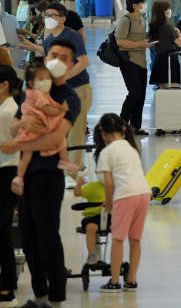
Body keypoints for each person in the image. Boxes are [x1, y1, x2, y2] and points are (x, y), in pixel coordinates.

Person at [0, 38, 82, 306]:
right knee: (27, 234)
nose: (58, 59)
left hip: (48, 175)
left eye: (65, 57)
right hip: (26, 174)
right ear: (45, 57)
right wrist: (21, 124)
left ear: (71, 65)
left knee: (47, 236)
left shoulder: (69, 98)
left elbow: (54, 139)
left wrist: (17, 144)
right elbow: (14, 126)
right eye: (54, 54)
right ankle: (39, 293)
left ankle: (56, 295)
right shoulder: (31, 87)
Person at [22, 2, 91, 187]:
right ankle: (78, 163)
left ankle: (72, 174)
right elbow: (49, 53)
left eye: (53, 15)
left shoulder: (71, 35)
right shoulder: (47, 34)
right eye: (47, 15)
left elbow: (84, 62)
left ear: (62, 19)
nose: (48, 19)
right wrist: (29, 46)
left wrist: (64, 77)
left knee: (75, 132)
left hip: (78, 89)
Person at [93, 113, 151, 293]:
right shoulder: (131, 147)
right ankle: (131, 280)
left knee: (117, 239)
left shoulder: (107, 152)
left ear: (103, 133)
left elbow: (109, 183)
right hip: (143, 193)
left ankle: (115, 281)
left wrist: (109, 202)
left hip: (125, 196)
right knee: (135, 238)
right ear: (123, 129)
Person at [11, 64, 77, 195]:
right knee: (61, 141)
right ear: (31, 82)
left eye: (48, 78)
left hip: (27, 131)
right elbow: (45, 109)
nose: (46, 81)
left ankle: (19, 178)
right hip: (40, 126)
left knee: (26, 157)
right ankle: (64, 161)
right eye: (42, 79)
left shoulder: (29, 94)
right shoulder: (39, 94)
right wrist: (60, 110)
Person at [115, 0, 151, 136]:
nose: (144, 6)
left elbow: (140, 39)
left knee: (141, 95)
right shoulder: (126, 20)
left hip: (141, 62)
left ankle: (135, 126)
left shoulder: (142, 20)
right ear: (135, 5)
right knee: (134, 92)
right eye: (143, 3)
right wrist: (139, 44)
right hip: (129, 61)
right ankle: (120, 125)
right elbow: (120, 41)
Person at [0, 65, 19, 308]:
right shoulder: (7, 108)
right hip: (6, 173)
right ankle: (7, 291)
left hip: (5, 175)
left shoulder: (7, 112)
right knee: (3, 236)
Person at [72, 161, 110, 266]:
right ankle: (91, 254)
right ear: (96, 172)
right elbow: (77, 193)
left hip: (110, 215)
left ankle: (117, 254)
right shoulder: (92, 186)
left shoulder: (114, 186)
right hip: (92, 216)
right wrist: (79, 185)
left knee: (118, 227)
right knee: (91, 228)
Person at [148, 0, 181, 89]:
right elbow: (180, 44)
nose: (169, 11)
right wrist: (179, 33)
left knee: (163, 91)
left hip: (159, 59)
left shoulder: (153, 26)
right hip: (170, 60)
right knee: (173, 90)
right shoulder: (167, 26)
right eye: (168, 9)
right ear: (163, 12)